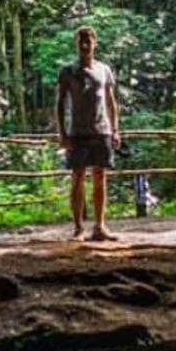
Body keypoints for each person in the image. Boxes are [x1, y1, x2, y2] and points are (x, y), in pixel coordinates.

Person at [56, 25, 121, 241]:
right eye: (80, 41)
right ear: (76, 44)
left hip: (102, 130)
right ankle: (77, 228)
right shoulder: (67, 71)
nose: (84, 45)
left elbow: (111, 102)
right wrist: (63, 133)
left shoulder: (104, 70)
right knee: (77, 177)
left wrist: (115, 130)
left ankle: (100, 226)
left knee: (100, 177)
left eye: (88, 41)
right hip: (77, 132)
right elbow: (60, 102)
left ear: (95, 43)